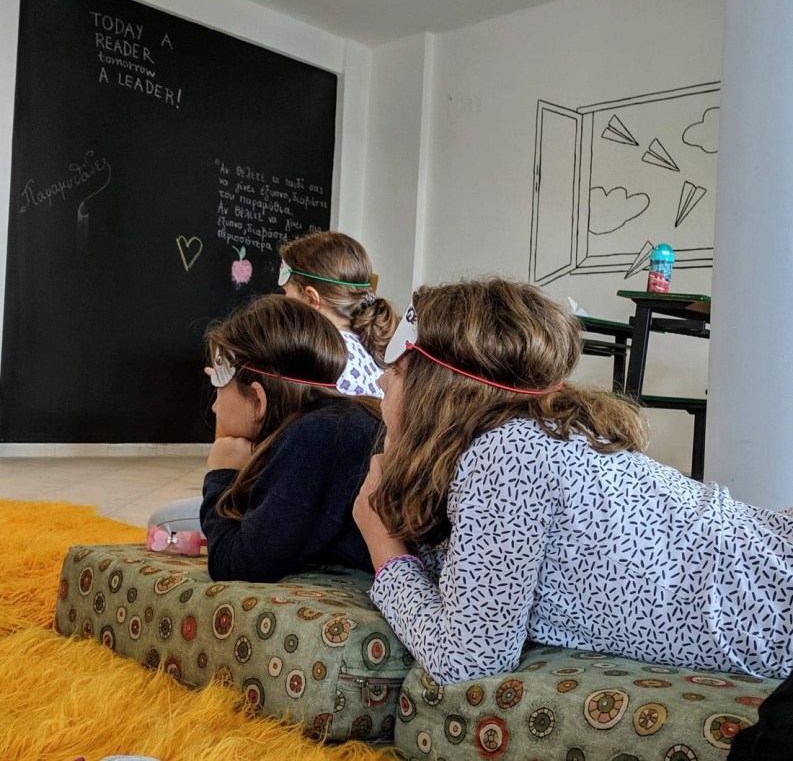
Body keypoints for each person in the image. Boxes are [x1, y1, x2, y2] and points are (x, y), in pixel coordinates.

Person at [353, 278, 793, 686]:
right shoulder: (533, 435)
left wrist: (381, 542)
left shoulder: (507, 455)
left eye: (398, 369)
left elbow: (468, 659)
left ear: (438, 392)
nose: (381, 379)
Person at [161, 295, 381, 582]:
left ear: (258, 399)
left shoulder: (315, 437)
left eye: (218, 386)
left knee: (162, 521)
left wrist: (222, 474)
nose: (214, 406)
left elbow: (235, 566)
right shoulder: (337, 417)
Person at [279, 231, 398, 398]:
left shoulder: (315, 360)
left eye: (286, 294)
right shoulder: (371, 351)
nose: (283, 301)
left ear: (312, 299)